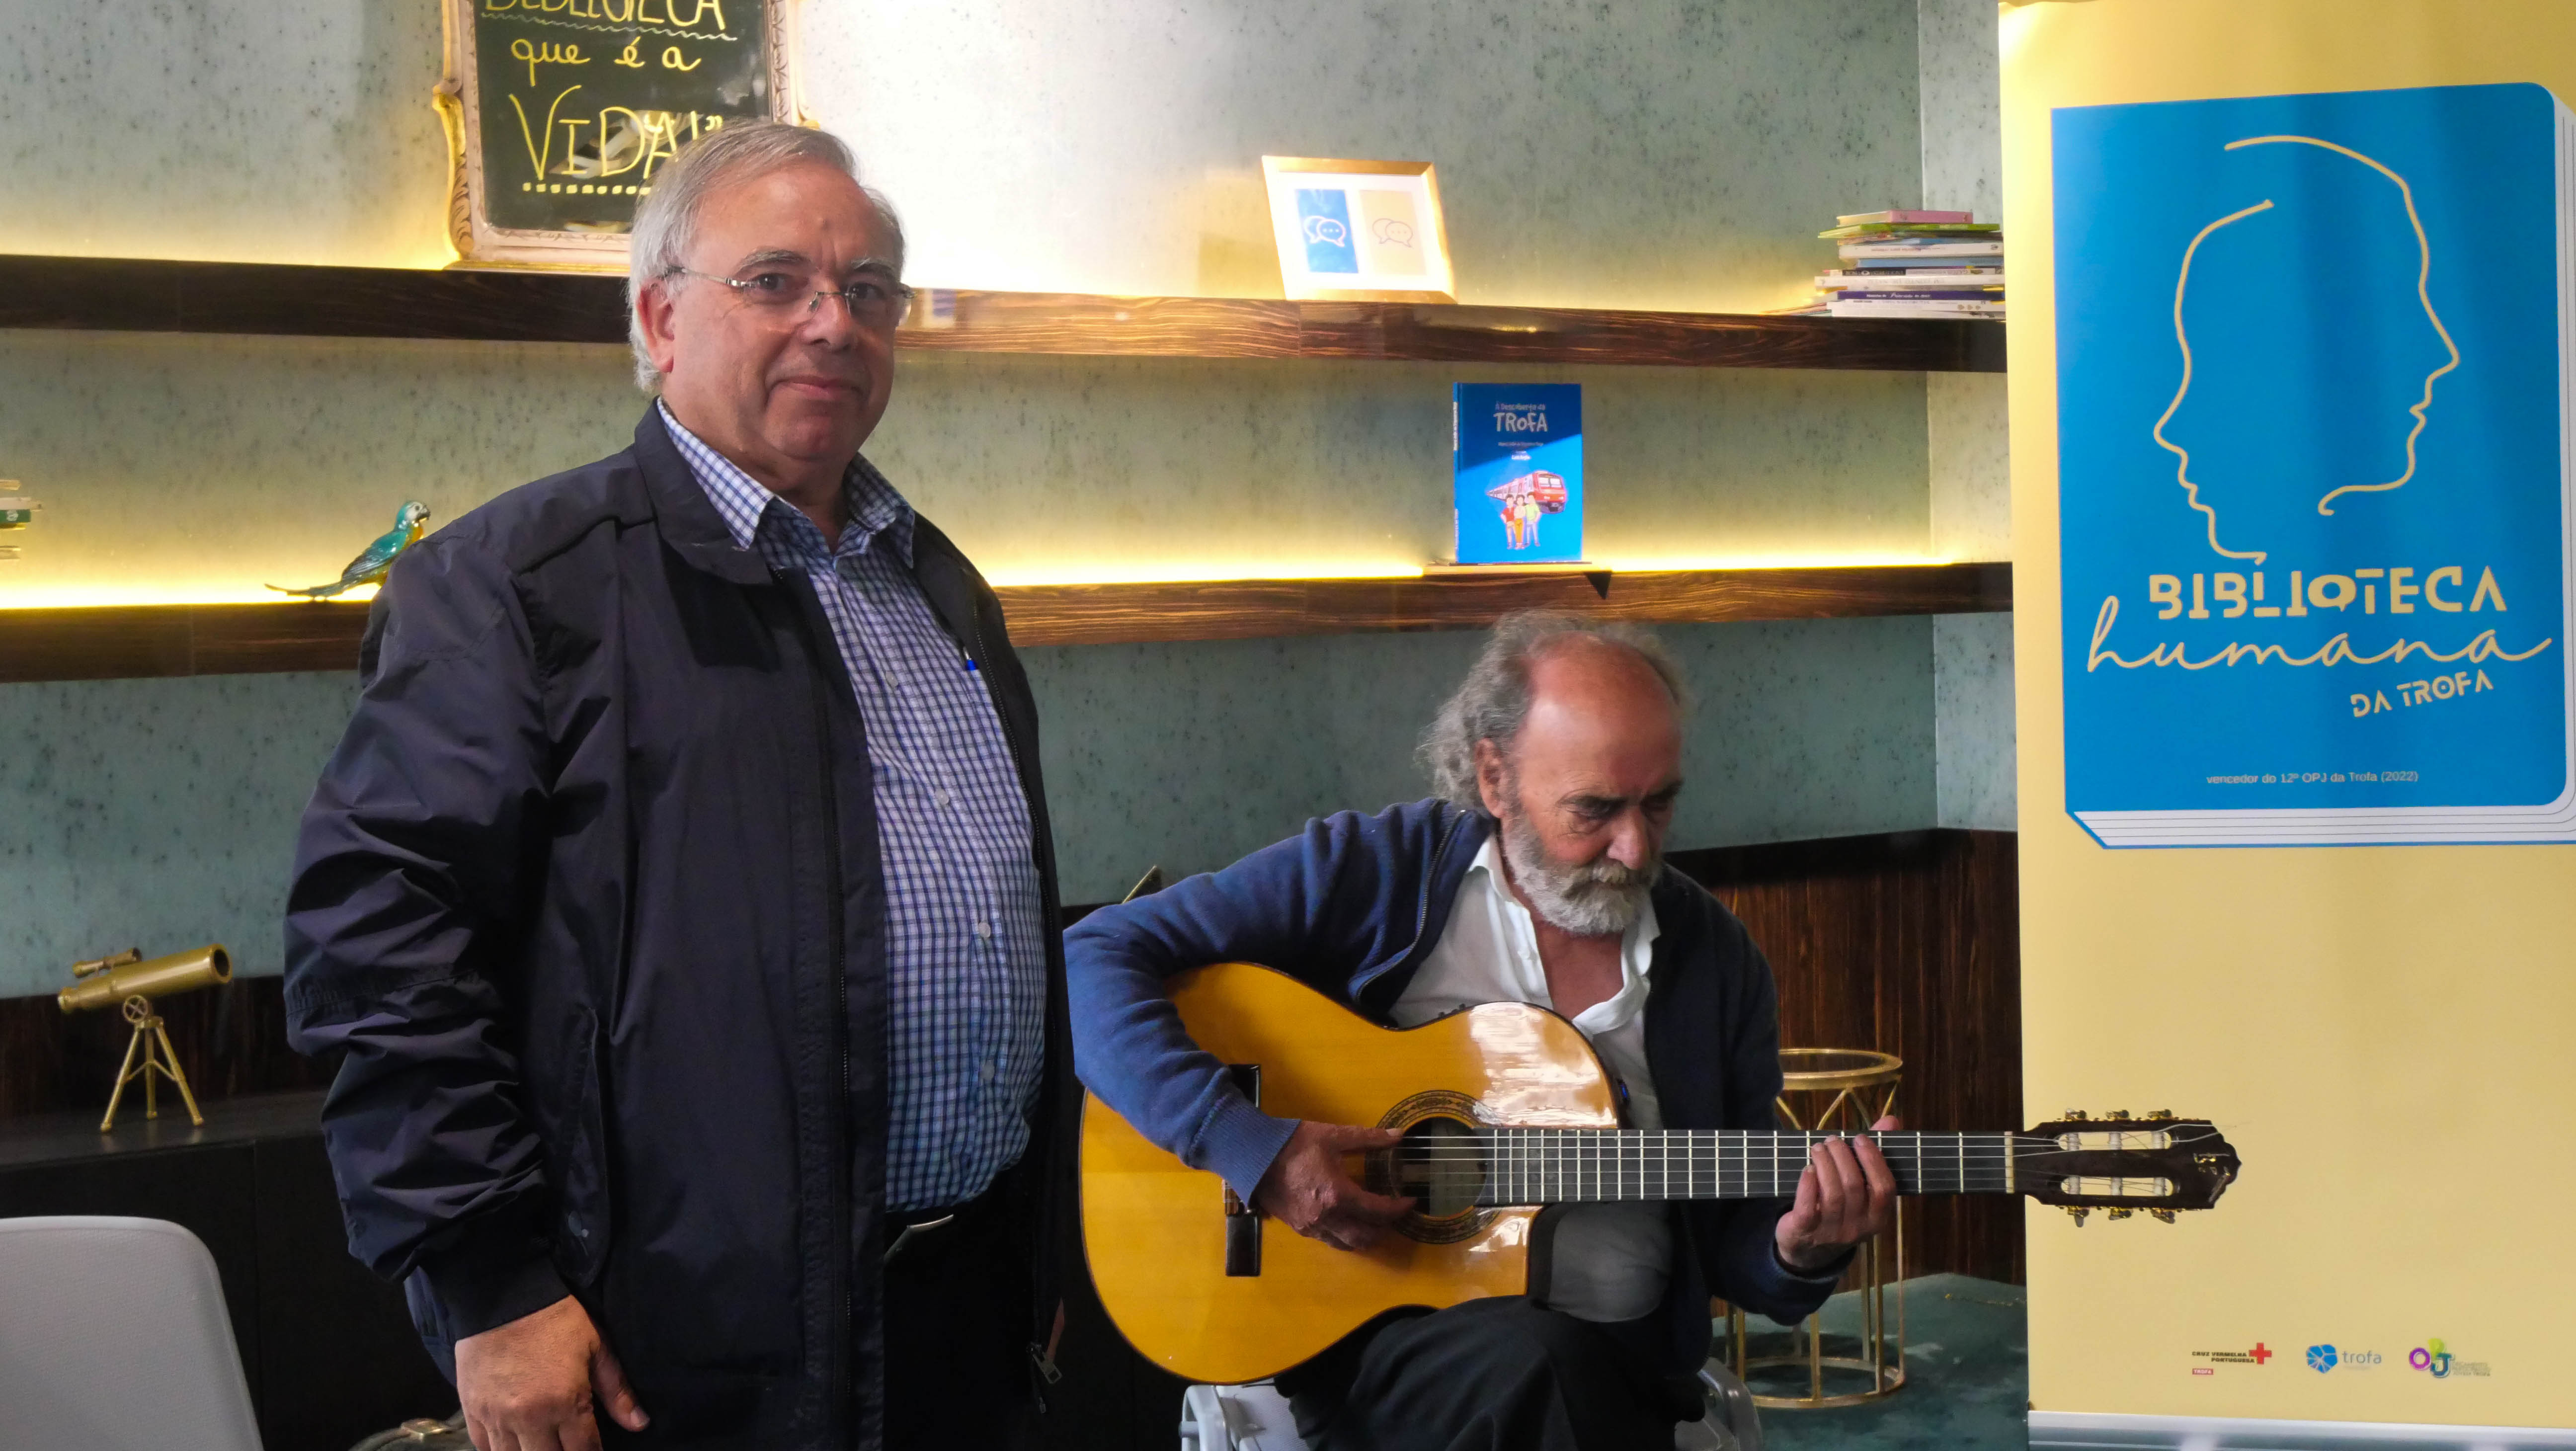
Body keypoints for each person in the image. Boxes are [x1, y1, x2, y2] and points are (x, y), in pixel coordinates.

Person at [284, 121, 1068, 1451]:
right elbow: (380, 955)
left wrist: (1040, 1250)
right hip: (667, 1351)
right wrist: (490, 1287)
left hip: (960, 1318)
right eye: (775, 282)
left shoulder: (942, 587)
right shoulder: (514, 588)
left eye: (868, 289)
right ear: (659, 319)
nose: (832, 322)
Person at [1066, 612, 1897, 1450]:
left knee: (1564, 1377)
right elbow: (1090, 960)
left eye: (1659, 803)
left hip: (1627, 1371)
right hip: (1386, 1355)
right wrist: (1252, 1147)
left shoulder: (1716, 961)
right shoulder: (1381, 872)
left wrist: (1801, 1251)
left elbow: (1741, 1254)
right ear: (1495, 778)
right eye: (1595, 809)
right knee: (1542, 1367)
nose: (1633, 846)